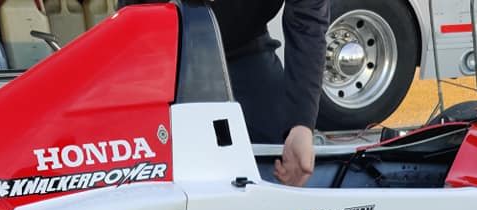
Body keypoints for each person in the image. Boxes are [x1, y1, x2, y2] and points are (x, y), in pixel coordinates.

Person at [118, 0, 329, 186]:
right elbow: (134, 18)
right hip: (159, 48)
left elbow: (308, 24)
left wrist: (301, 125)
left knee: (278, 154)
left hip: (246, 46)